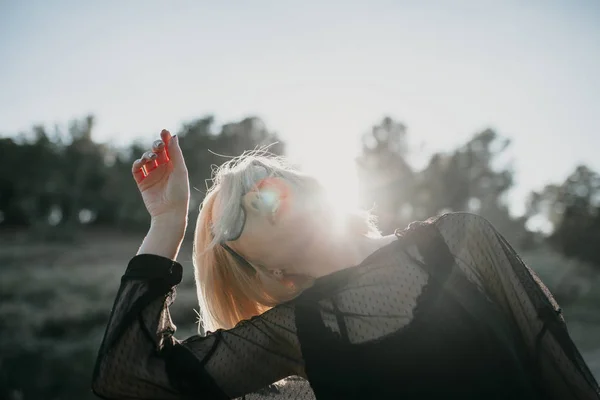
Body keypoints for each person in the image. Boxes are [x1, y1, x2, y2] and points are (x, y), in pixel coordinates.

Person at [91, 129, 600, 400]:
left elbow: (556, 366)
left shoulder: (459, 239)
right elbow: (130, 375)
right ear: (266, 272)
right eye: (236, 217)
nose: (258, 193)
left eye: (263, 178)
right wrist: (165, 223)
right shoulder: (298, 330)